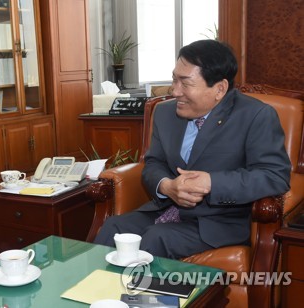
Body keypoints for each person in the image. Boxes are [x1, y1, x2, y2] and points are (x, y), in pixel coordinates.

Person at [94, 39, 291, 259]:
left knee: (157, 238)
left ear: (220, 89)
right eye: (174, 79)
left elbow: (274, 176)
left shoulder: (256, 116)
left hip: (219, 221)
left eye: (185, 83)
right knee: (113, 228)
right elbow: (153, 163)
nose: (175, 91)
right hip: (166, 209)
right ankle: (91, 292)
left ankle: (139, 294)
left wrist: (212, 183)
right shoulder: (164, 112)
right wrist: (166, 186)